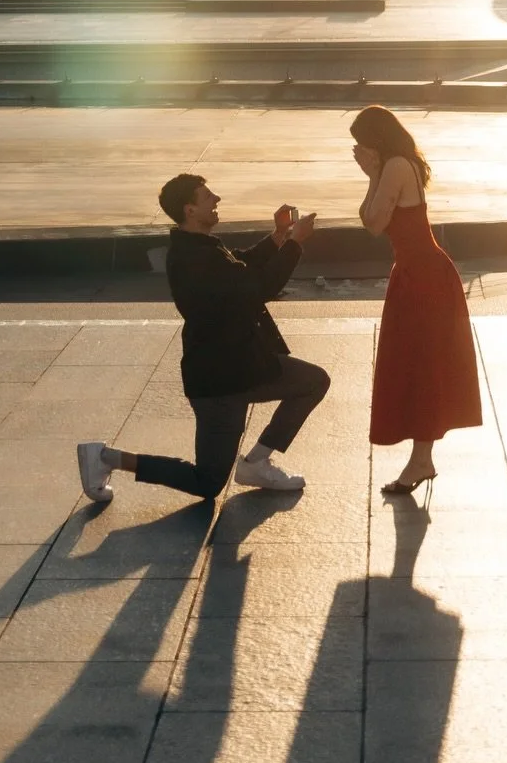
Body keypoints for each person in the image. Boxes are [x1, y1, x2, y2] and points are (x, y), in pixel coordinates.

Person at [77, 172, 329, 504]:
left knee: (313, 381)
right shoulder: (194, 257)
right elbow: (257, 287)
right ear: (190, 210)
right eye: (208, 196)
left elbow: (243, 267)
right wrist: (295, 243)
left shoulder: (198, 248)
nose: (216, 200)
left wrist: (279, 236)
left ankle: (256, 462)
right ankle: (107, 458)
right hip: (219, 383)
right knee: (207, 482)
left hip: (245, 367)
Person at [352, 104, 481, 494]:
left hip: (422, 276)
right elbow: (368, 217)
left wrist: (372, 174)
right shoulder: (398, 164)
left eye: (361, 143)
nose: (358, 150)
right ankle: (421, 459)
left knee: (421, 365)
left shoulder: (393, 168)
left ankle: (421, 460)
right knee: (417, 364)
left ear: (375, 140)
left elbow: (374, 225)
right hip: (416, 273)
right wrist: (371, 177)